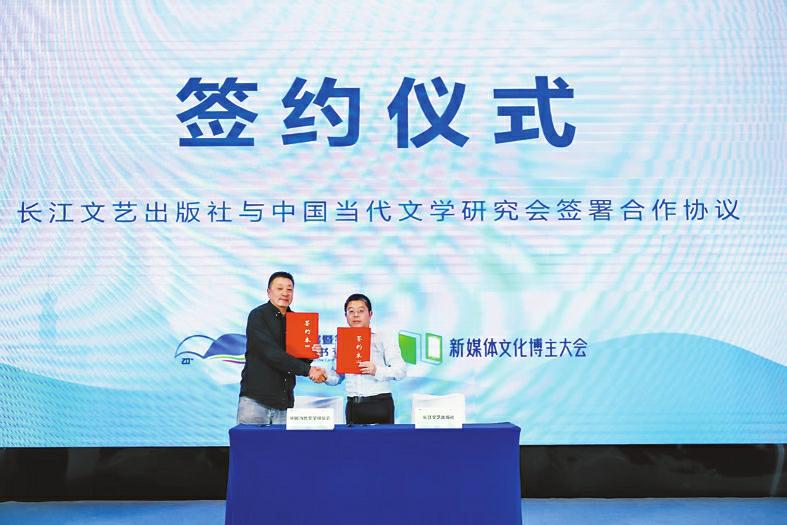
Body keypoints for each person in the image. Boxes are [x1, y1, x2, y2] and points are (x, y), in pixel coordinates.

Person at [237, 271, 327, 424]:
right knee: (252, 441)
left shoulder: (298, 322)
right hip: (256, 402)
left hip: (284, 403)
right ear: (269, 292)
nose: (285, 293)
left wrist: (309, 354)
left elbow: (297, 361)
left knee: (283, 442)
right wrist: (309, 370)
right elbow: (271, 353)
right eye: (280, 288)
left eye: (289, 289)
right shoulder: (258, 316)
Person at [326, 293, 406, 424]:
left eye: (361, 311)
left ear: (370, 314)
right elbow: (338, 376)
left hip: (379, 403)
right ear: (346, 315)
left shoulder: (383, 337)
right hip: (353, 406)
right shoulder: (342, 340)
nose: (356, 315)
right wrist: (325, 376)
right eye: (351, 311)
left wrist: (376, 370)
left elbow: (401, 371)